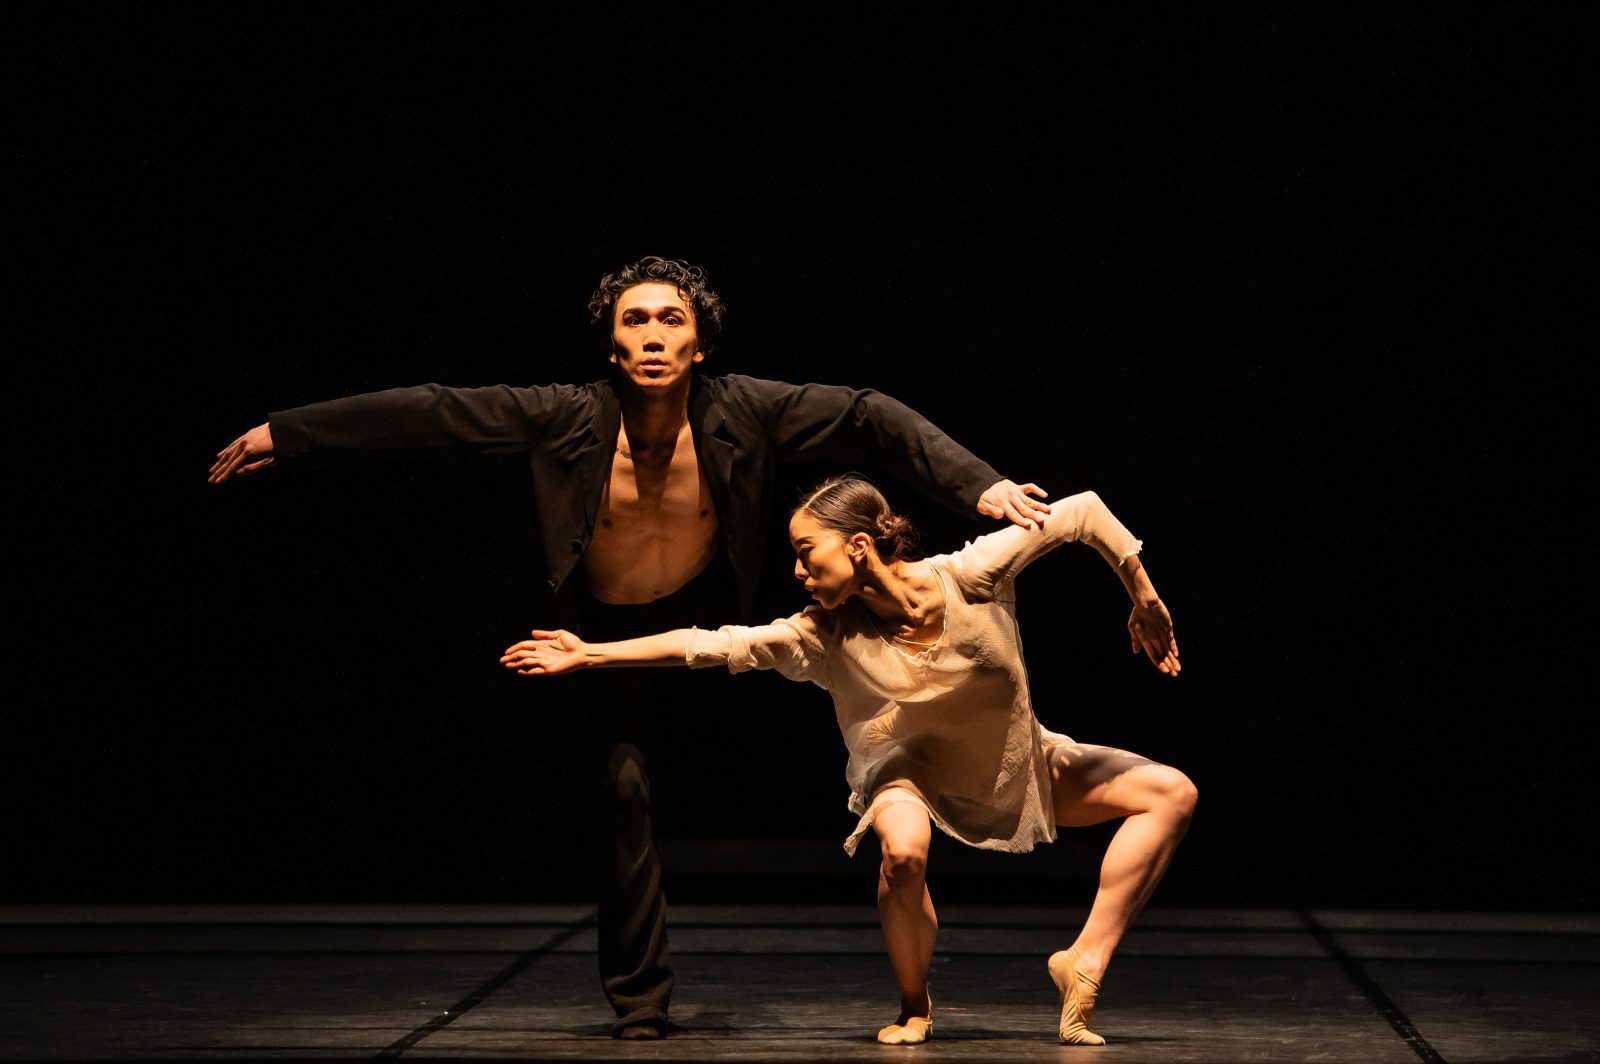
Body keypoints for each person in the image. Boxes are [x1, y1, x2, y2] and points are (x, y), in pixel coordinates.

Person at [208, 256, 1052, 1040]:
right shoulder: (567, 416)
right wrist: (293, 433)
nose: (653, 336)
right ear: (611, 346)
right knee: (621, 792)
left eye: (671, 320)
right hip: (602, 621)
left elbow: (868, 412)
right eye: (635, 321)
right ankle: (642, 1002)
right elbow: (436, 412)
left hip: (711, 603)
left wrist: (980, 484)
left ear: (700, 344)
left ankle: (928, 885)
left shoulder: (743, 409)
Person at [501, 474, 1196, 1046]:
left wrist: (1144, 595)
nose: (798, 571)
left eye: (808, 552)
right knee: (903, 851)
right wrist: (591, 654)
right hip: (907, 771)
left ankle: (1083, 962)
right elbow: (712, 643)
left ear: (859, 545)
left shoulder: (971, 576)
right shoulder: (823, 634)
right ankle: (915, 1003)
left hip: (1011, 760)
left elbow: (1082, 512)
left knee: (1171, 794)